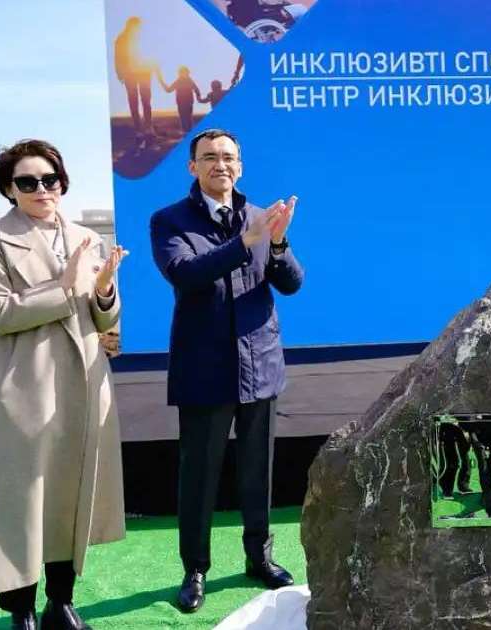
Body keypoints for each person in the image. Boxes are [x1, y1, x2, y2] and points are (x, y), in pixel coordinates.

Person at [0, 139, 129, 630]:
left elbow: (104, 317)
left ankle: (61, 602)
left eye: (50, 179)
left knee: (68, 497)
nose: (42, 189)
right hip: (22, 390)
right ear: (8, 189)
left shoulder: (86, 237)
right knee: (20, 503)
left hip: (82, 383)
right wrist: (64, 286)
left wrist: (104, 290)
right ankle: (20, 609)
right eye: (28, 181)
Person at [149, 128, 304, 613]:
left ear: (240, 166)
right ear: (192, 167)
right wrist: (245, 242)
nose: (221, 164)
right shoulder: (169, 220)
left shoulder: (260, 217)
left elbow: (292, 283)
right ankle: (195, 569)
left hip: (260, 363)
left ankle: (259, 556)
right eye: (210, 157)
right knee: (200, 477)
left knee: (258, 471)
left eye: (229, 157)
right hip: (205, 369)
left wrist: (276, 244)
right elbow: (185, 274)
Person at [113, 17, 155, 144]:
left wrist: (151, 68)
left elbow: (150, 53)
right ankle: (139, 130)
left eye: (138, 26)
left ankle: (148, 128)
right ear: (130, 25)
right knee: (134, 102)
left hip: (143, 72)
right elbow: (117, 57)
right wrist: (120, 73)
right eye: (136, 25)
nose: (138, 28)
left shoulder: (142, 37)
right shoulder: (121, 39)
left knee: (145, 101)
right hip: (130, 74)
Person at [158, 66, 204, 134]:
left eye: (186, 73)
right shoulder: (185, 81)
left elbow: (168, 90)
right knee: (186, 119)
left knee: (186, 119)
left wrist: (162, 83)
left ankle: (187, 133)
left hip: (186, 103)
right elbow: (196, 90)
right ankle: (187, 133)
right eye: (185, 73)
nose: (186, 74)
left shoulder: (184, 81)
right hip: (184, 103)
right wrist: (198, 98)